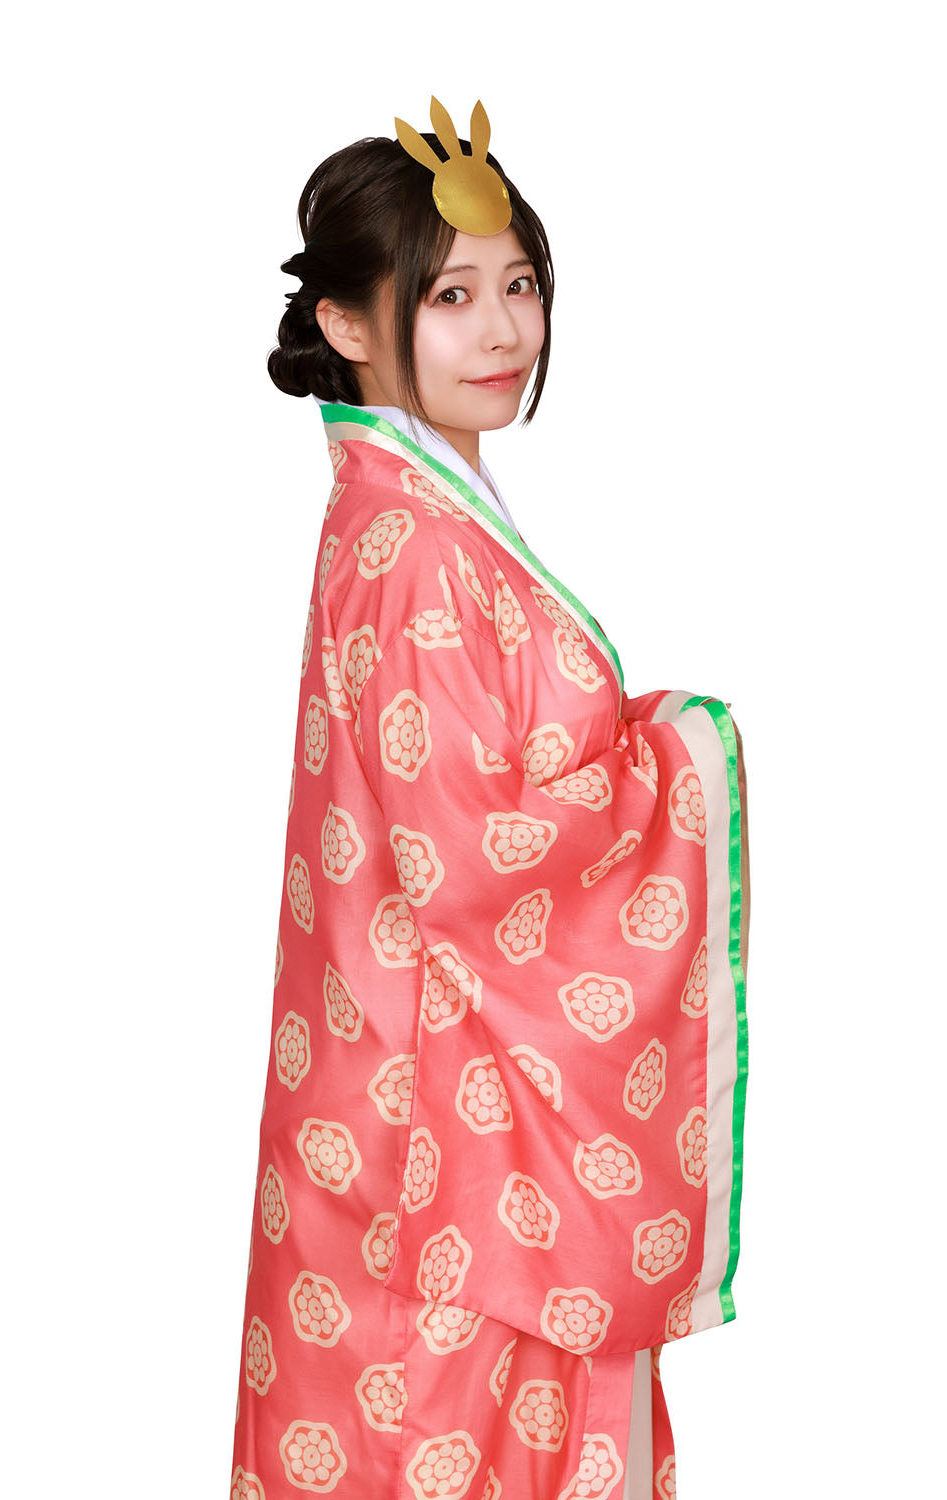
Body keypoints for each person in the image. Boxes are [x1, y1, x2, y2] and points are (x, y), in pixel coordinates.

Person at [230, 98, 750, 1500]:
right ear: (346, 323)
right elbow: (473, 854)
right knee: (437, 1431)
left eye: (519, 285)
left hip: (420, 1079)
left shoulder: (419, 512)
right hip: (441, 1127)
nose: (505, 328)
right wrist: (681, 763)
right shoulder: (413, 543)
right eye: (450, 297)